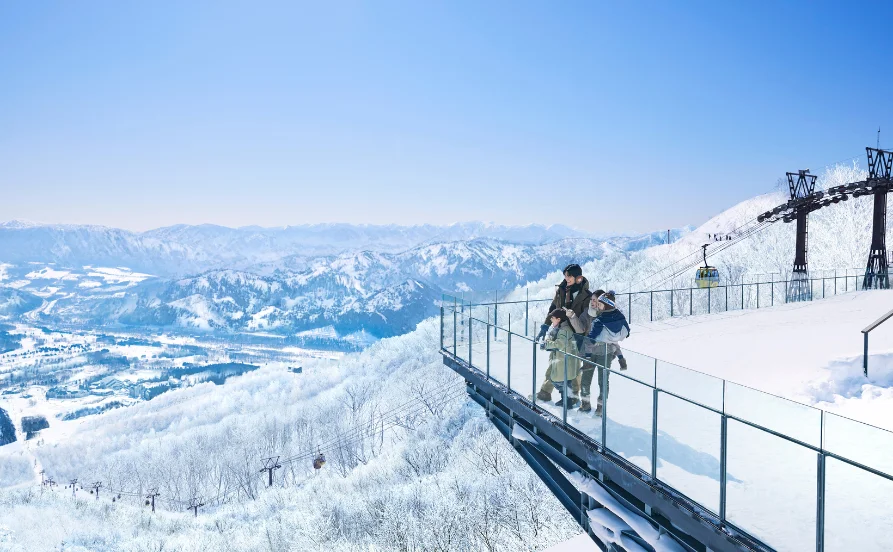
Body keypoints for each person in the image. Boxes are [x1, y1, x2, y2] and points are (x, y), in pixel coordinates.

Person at [533, 264, 592, 401]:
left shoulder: (587, 297)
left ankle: (573, 397)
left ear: (579, 277)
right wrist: (545, 325)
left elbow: (586, 321)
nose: (566, 279)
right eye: (565, 276)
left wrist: (581, 338)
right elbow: (553, 308)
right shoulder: (561, 290)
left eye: (569, 276)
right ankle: (545, 392)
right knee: (554, 360)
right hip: (560, 331)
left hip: (577, 336)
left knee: (574, 366)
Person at [575, 291, 630, 415]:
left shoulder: (602, 318)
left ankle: (593, 405)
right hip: (598, 352)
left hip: (599, 352)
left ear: (605, 305)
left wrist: (620, 356)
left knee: (595, 379)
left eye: (598, 303)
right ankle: (593, 405)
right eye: (594, 302)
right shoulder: (617, 316)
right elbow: (626, 331)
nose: (595, 304)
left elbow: (599, 339)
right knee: (594, 380)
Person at [543, 309, 581, 408]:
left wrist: (547, 343)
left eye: (553, 318)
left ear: (559, 319)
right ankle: (566, 400)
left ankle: (568, 401)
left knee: (559, 380)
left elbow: (559, 344)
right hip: (564, 359)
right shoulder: (562, 327)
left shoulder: (564, 330)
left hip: (564, 359)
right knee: (564, 380)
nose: (551, 319)